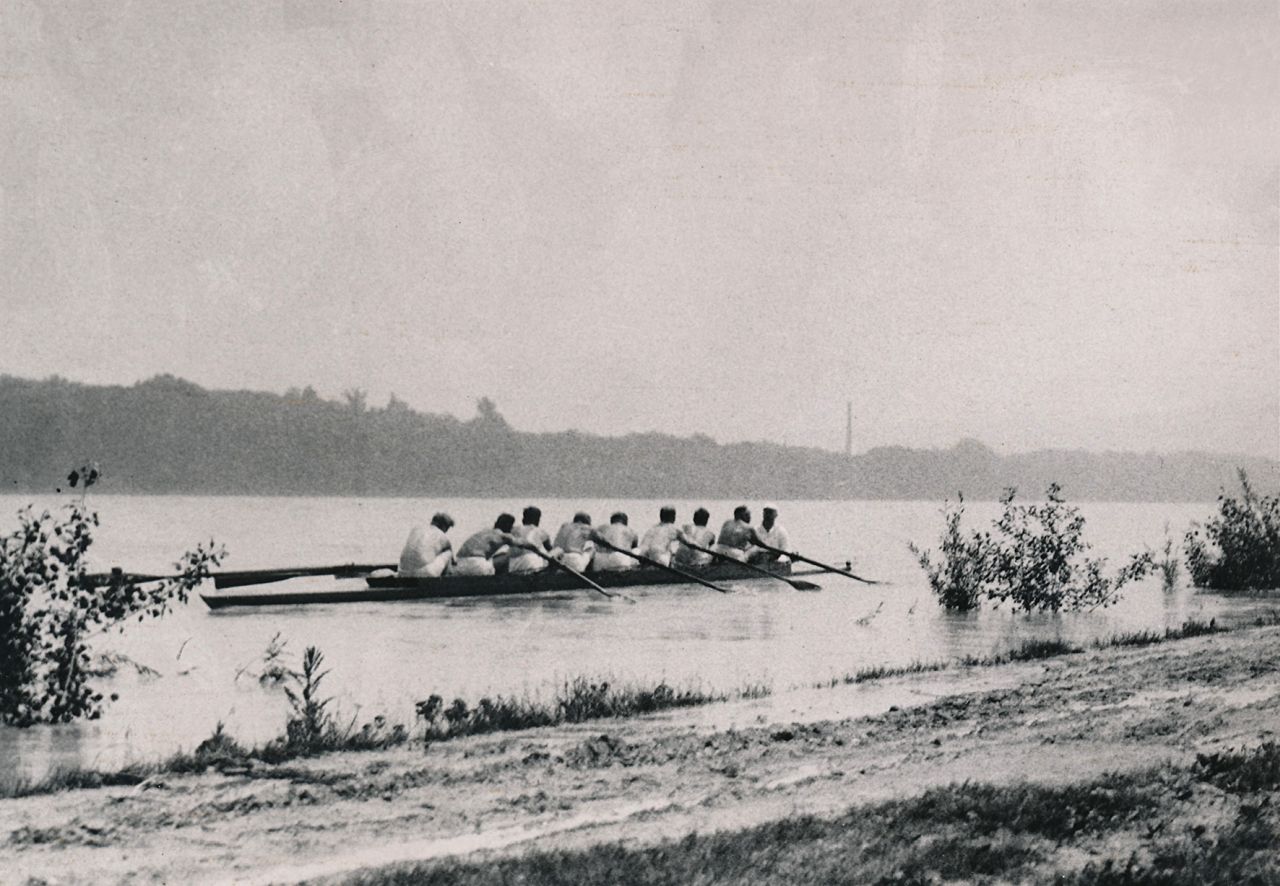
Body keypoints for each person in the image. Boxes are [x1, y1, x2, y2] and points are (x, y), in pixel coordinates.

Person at [453, 513, 519, 576]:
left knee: (490, 558)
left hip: (460, 564)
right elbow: (523, 543)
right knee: (506, 556)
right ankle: (501, 582)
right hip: (476, 565)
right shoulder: (503, 535)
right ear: (509, 527)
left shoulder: (484, 532)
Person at [397, 512, 455, 577]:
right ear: (444, 526)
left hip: (402, 573)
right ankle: (447, 580)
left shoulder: (416, 529)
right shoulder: (442, 536)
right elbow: (453, 560)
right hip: (422, 575)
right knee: (448, 553)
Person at [508, 506, 552, 574]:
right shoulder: (541, 531)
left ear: (523, 519)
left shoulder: (513, 529)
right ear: (537, 520)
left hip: (513, 564)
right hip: (532, 563)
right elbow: (550, 549)